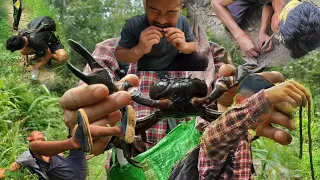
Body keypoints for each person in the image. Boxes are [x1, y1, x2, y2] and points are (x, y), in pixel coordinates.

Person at [169, 74, 310, 179]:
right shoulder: (216, 134)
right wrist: (265, 97)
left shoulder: (244, 137)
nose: (264, 114)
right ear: (240, 101)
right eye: (260, 108)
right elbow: (227, 124)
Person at [0, 101, 137, 179]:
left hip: (75, 166)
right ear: (28, 138)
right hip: (67, 176)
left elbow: (59, 156)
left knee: (77, 129)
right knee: (35, 147)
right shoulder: (28, 154)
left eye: (41, 133)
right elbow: (8, 170)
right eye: (36, 133)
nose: (40, 133)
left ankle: (120, 131)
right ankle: (76, 142)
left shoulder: (51, 148)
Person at [115, 0, 209, 71]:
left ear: (180, 9)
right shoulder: (134, 24)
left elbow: (194, 46)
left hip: (174, 65)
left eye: (171, 12)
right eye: (154, 10)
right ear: (145, 5)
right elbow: (119, 54)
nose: (161, 21)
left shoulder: (183, 21)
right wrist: (139, 49)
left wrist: (184, 46)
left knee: (201, 60)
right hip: (145, 68)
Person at [211, 0, 320, 59]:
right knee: (231, 22)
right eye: (279, 36)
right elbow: (216, 3)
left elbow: (273, 3)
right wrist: (240, 36)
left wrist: (263, 31)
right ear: (277, 21)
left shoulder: (305, 7)